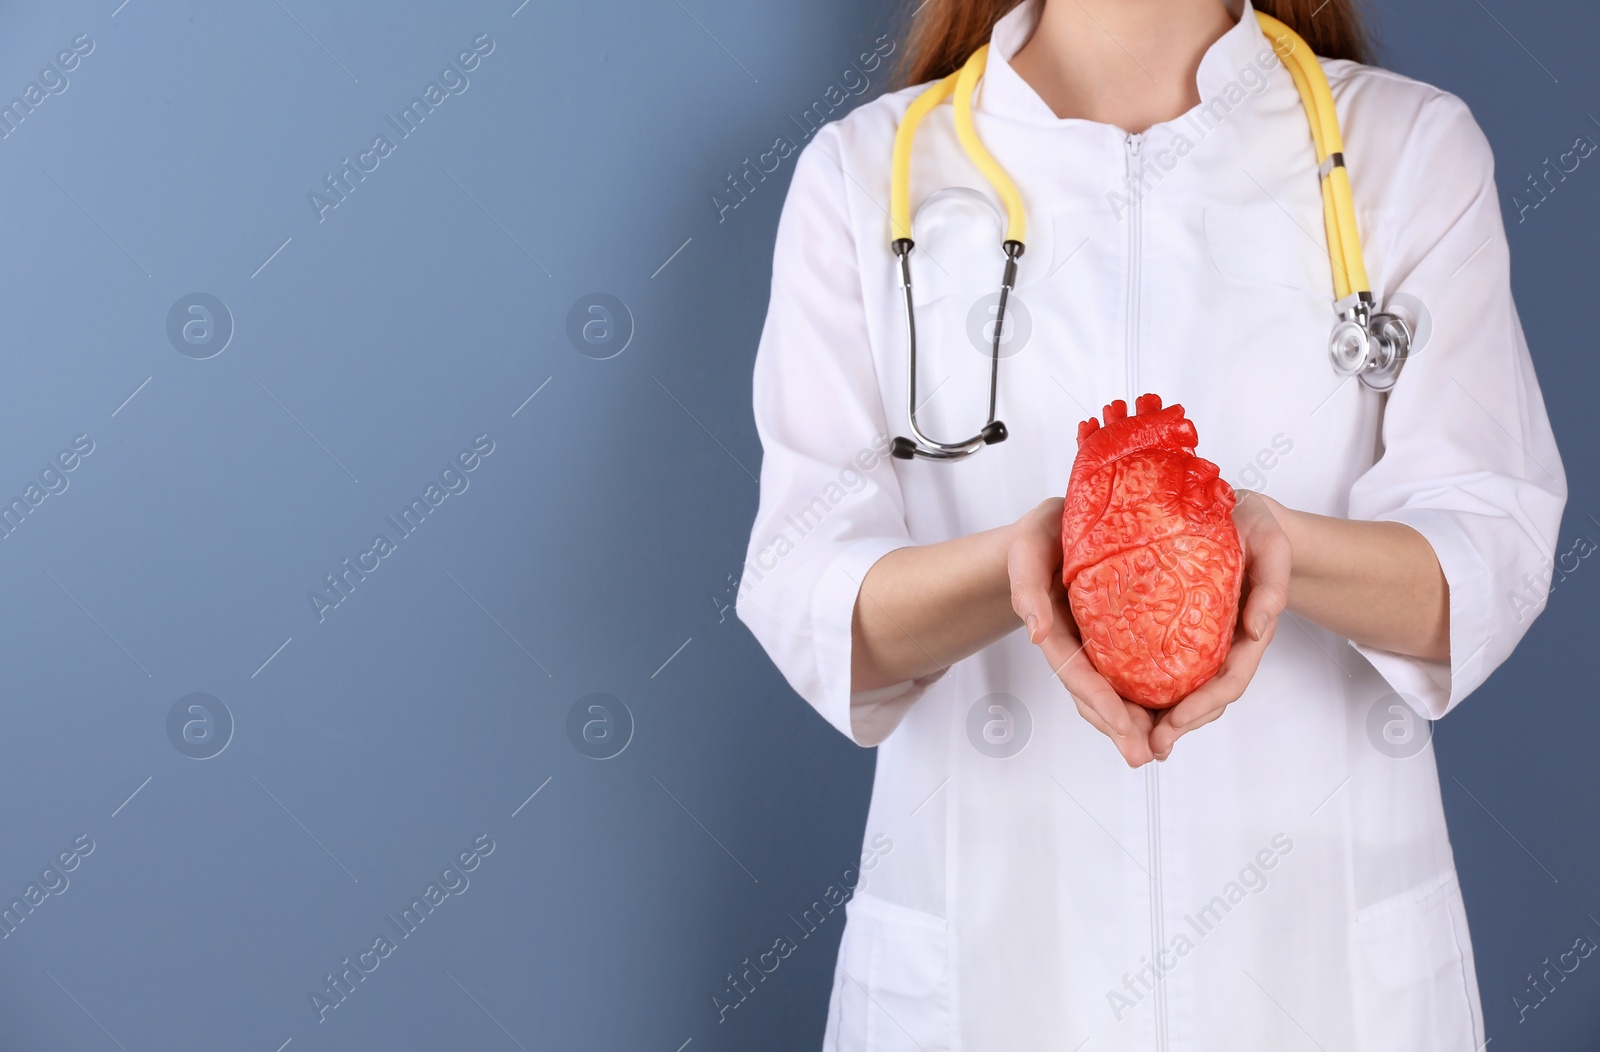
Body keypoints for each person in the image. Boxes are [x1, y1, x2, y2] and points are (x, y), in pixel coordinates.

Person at [735, 0, 1568, 1047]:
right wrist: (1028, 569)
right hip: (995, 971)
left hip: (1317, 971)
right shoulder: (865, 173)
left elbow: (1490, 550)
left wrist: (1274, 549)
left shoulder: (1404, 152)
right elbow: (807, 589)